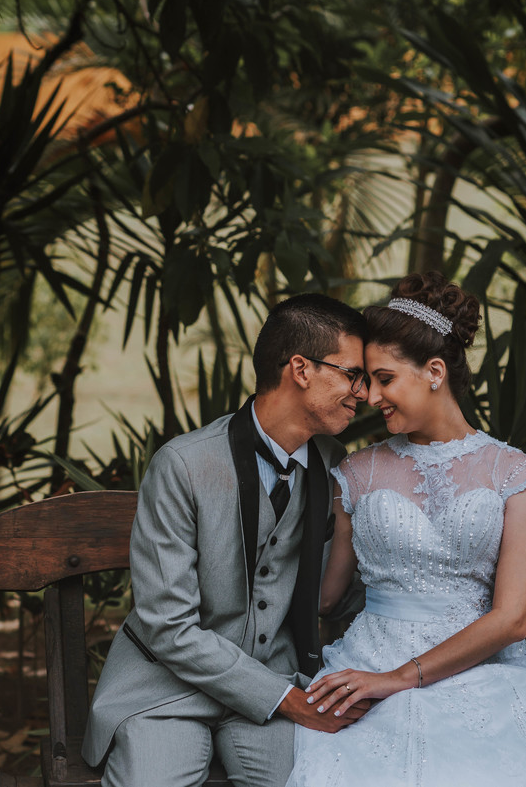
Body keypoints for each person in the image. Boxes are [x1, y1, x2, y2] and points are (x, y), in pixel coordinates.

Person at [285, 272, 526, 786]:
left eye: (384, 378)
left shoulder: (514, 476)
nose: (371, 396)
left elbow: (512, 620)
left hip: (483, 666)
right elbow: (326, 597)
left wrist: (397, 679)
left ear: (435, 371)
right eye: (367, 380)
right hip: (368, 660)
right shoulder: (355, 472)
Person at [82, 294, 372, 787]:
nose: (362, 392)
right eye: (352, 374)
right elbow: (168, 626)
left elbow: (332, 592)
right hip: (166, 689)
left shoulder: (333, 464)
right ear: (301, 369)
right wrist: (288, 701)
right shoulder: (183, 465)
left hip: (279, 679)